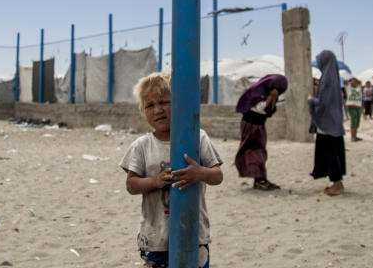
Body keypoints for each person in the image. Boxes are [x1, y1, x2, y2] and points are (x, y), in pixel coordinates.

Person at [120, 71, 223, 268]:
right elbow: (131, 184)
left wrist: (200, 173)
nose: (158, 110)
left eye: (164, 102)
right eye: (150, 105)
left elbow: (217, 175)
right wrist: (154, 181)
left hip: (194, 235)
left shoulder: (198, 137)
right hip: (156, 238)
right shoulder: (142, 146)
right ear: (143, 111)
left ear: (178, 103)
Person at [234, 74, 288, 190]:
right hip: (251, 127)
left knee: (260, 152)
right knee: (254, 152)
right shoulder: (257, 93)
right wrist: (270, 99)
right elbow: (259, 108)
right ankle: (258, 179)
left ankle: (261, 178)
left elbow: (269, 111)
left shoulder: (270, 94)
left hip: (259, 127)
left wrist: (272, 98)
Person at [310, 50, 347, 196]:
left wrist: (311, 101)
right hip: (334, 123)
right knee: (334, 152)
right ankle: (337, 182)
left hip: (327, 124)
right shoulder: (333, 78)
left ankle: (337, 184)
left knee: (330, 153)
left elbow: (323, 102)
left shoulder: (326, 80)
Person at [344, 76, 363, 142]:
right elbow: (345, 82)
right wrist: (350, 80)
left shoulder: (358, 88)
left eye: (355, 81)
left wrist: (357, 80)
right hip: (351, 106)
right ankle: (352, 137)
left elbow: (361, 82)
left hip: (358, 107)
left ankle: (355, 136)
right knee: (353, 121)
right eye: (352, 81)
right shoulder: (348, 88)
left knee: (357, 122)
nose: (354, 82)